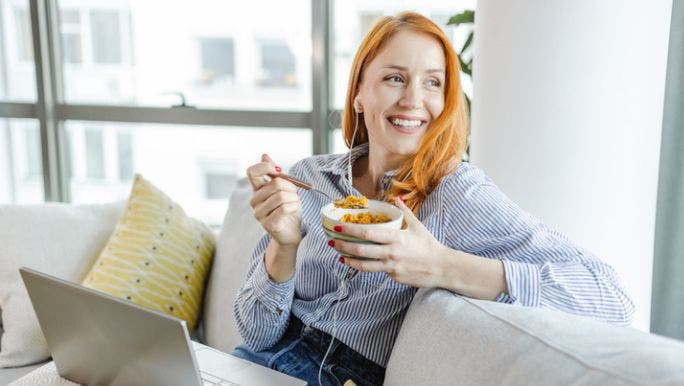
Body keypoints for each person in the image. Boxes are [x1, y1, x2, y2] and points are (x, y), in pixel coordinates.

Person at [232, 11, 634, 386]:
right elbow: (256, 333)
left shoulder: (457, 193)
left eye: (432, 82)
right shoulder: (310, 177)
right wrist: (283, 247)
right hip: (253, 363)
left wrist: (439, 264)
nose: (412, 99)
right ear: (358, 93)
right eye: (394, 78)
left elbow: (610, 299)